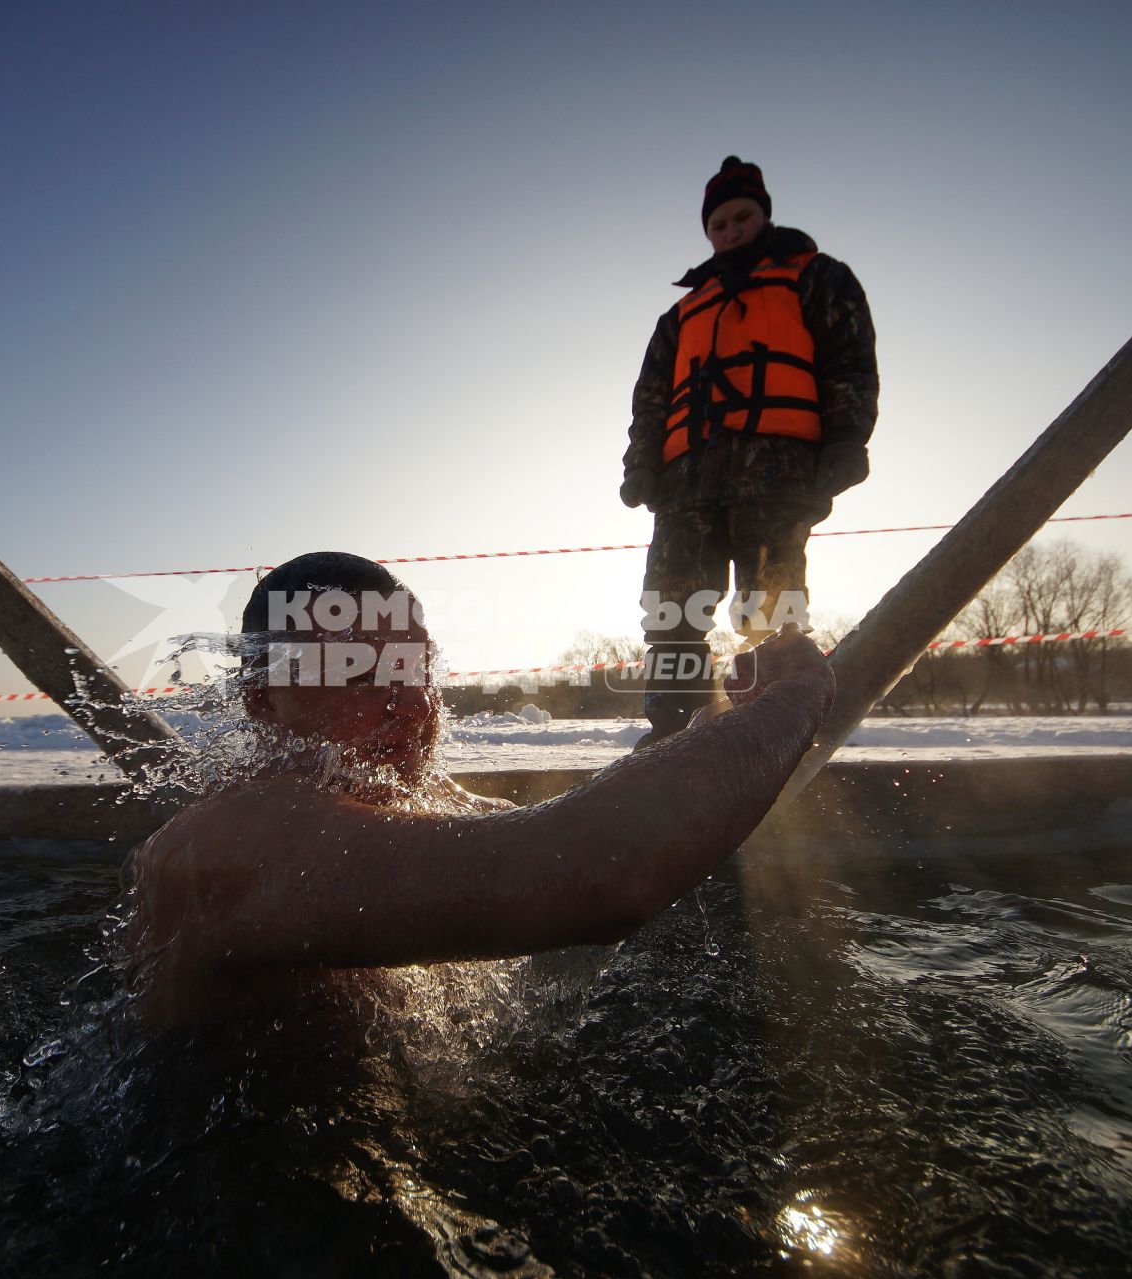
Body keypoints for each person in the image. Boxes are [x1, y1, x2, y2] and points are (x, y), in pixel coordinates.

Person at [124, 551, 835, 1032]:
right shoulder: (226, 845)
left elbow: (579, 825)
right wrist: (794, 701)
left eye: (415, 670)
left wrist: (728, 727)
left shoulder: (408, 813)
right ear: (262, 699)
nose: (411, 706)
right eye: (358, 674)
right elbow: (592, 874)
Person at [620, 156, 877, 747]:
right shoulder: (679, 315)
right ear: (707, 231)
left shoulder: (817, 276)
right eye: (719, 223)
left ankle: (776, 726)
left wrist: (845, 441)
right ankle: (672, 727)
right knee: (672, 609)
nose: (731, 230)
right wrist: (642, 465)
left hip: (778, 474)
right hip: (686, 486)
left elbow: (850, 364)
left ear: (763, 215)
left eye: (742, 216)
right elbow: (651, 400)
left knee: (772, 608)